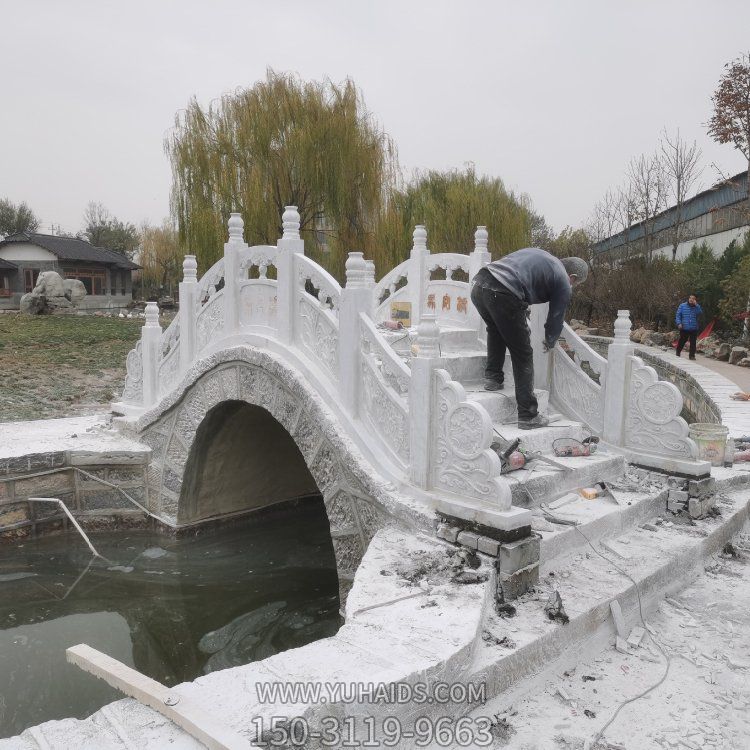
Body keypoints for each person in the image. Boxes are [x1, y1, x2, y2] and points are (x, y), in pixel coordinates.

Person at [470, 249, 588, 430]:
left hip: (479, 285)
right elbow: (556, 316)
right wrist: (550, 340)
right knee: (523, 353)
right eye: (576, 283)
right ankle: (528, 415)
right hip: (503, 292)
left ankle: (493, 378)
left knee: (495, 330)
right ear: (572, 275)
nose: (572, 286)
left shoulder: (544, 258)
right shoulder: (563, 278)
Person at [675, 294, 703, 360]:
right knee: (682, 340)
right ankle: (678, 352)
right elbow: (678, 315)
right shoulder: (682, 306)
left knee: (693, 342)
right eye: (690, 298)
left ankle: (692, 356)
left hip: (694, 328)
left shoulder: (696, 307)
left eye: (693, 298)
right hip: (684, 327)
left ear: (695, 300)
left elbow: (700, 313)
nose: (691, 299)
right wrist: (679, 323)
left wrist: (697, 305)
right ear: (688, 299)